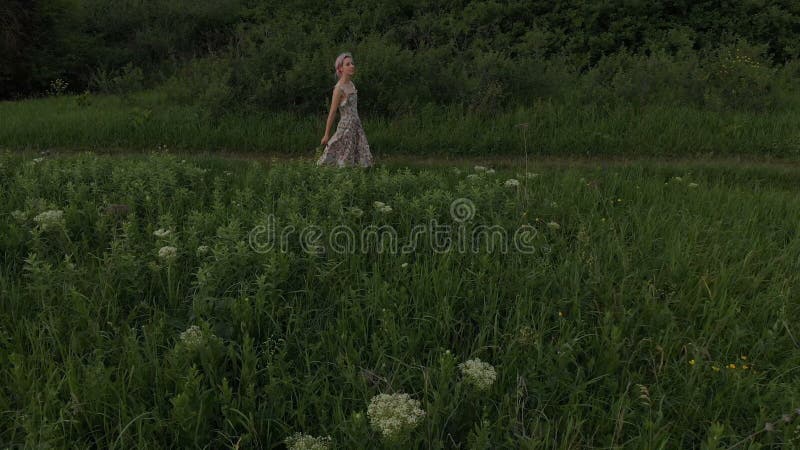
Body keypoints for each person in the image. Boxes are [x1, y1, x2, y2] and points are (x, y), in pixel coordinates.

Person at [317, 52, 374, 168]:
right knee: (342, 155)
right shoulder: (339, 89)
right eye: (348, 64)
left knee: (358, 155)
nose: (352, 66)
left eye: (352, 63)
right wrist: (326, 134)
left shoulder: (351, 84)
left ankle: (355, 180)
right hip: (346, 128)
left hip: (356, 125)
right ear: (340, 68)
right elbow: (332, 112)